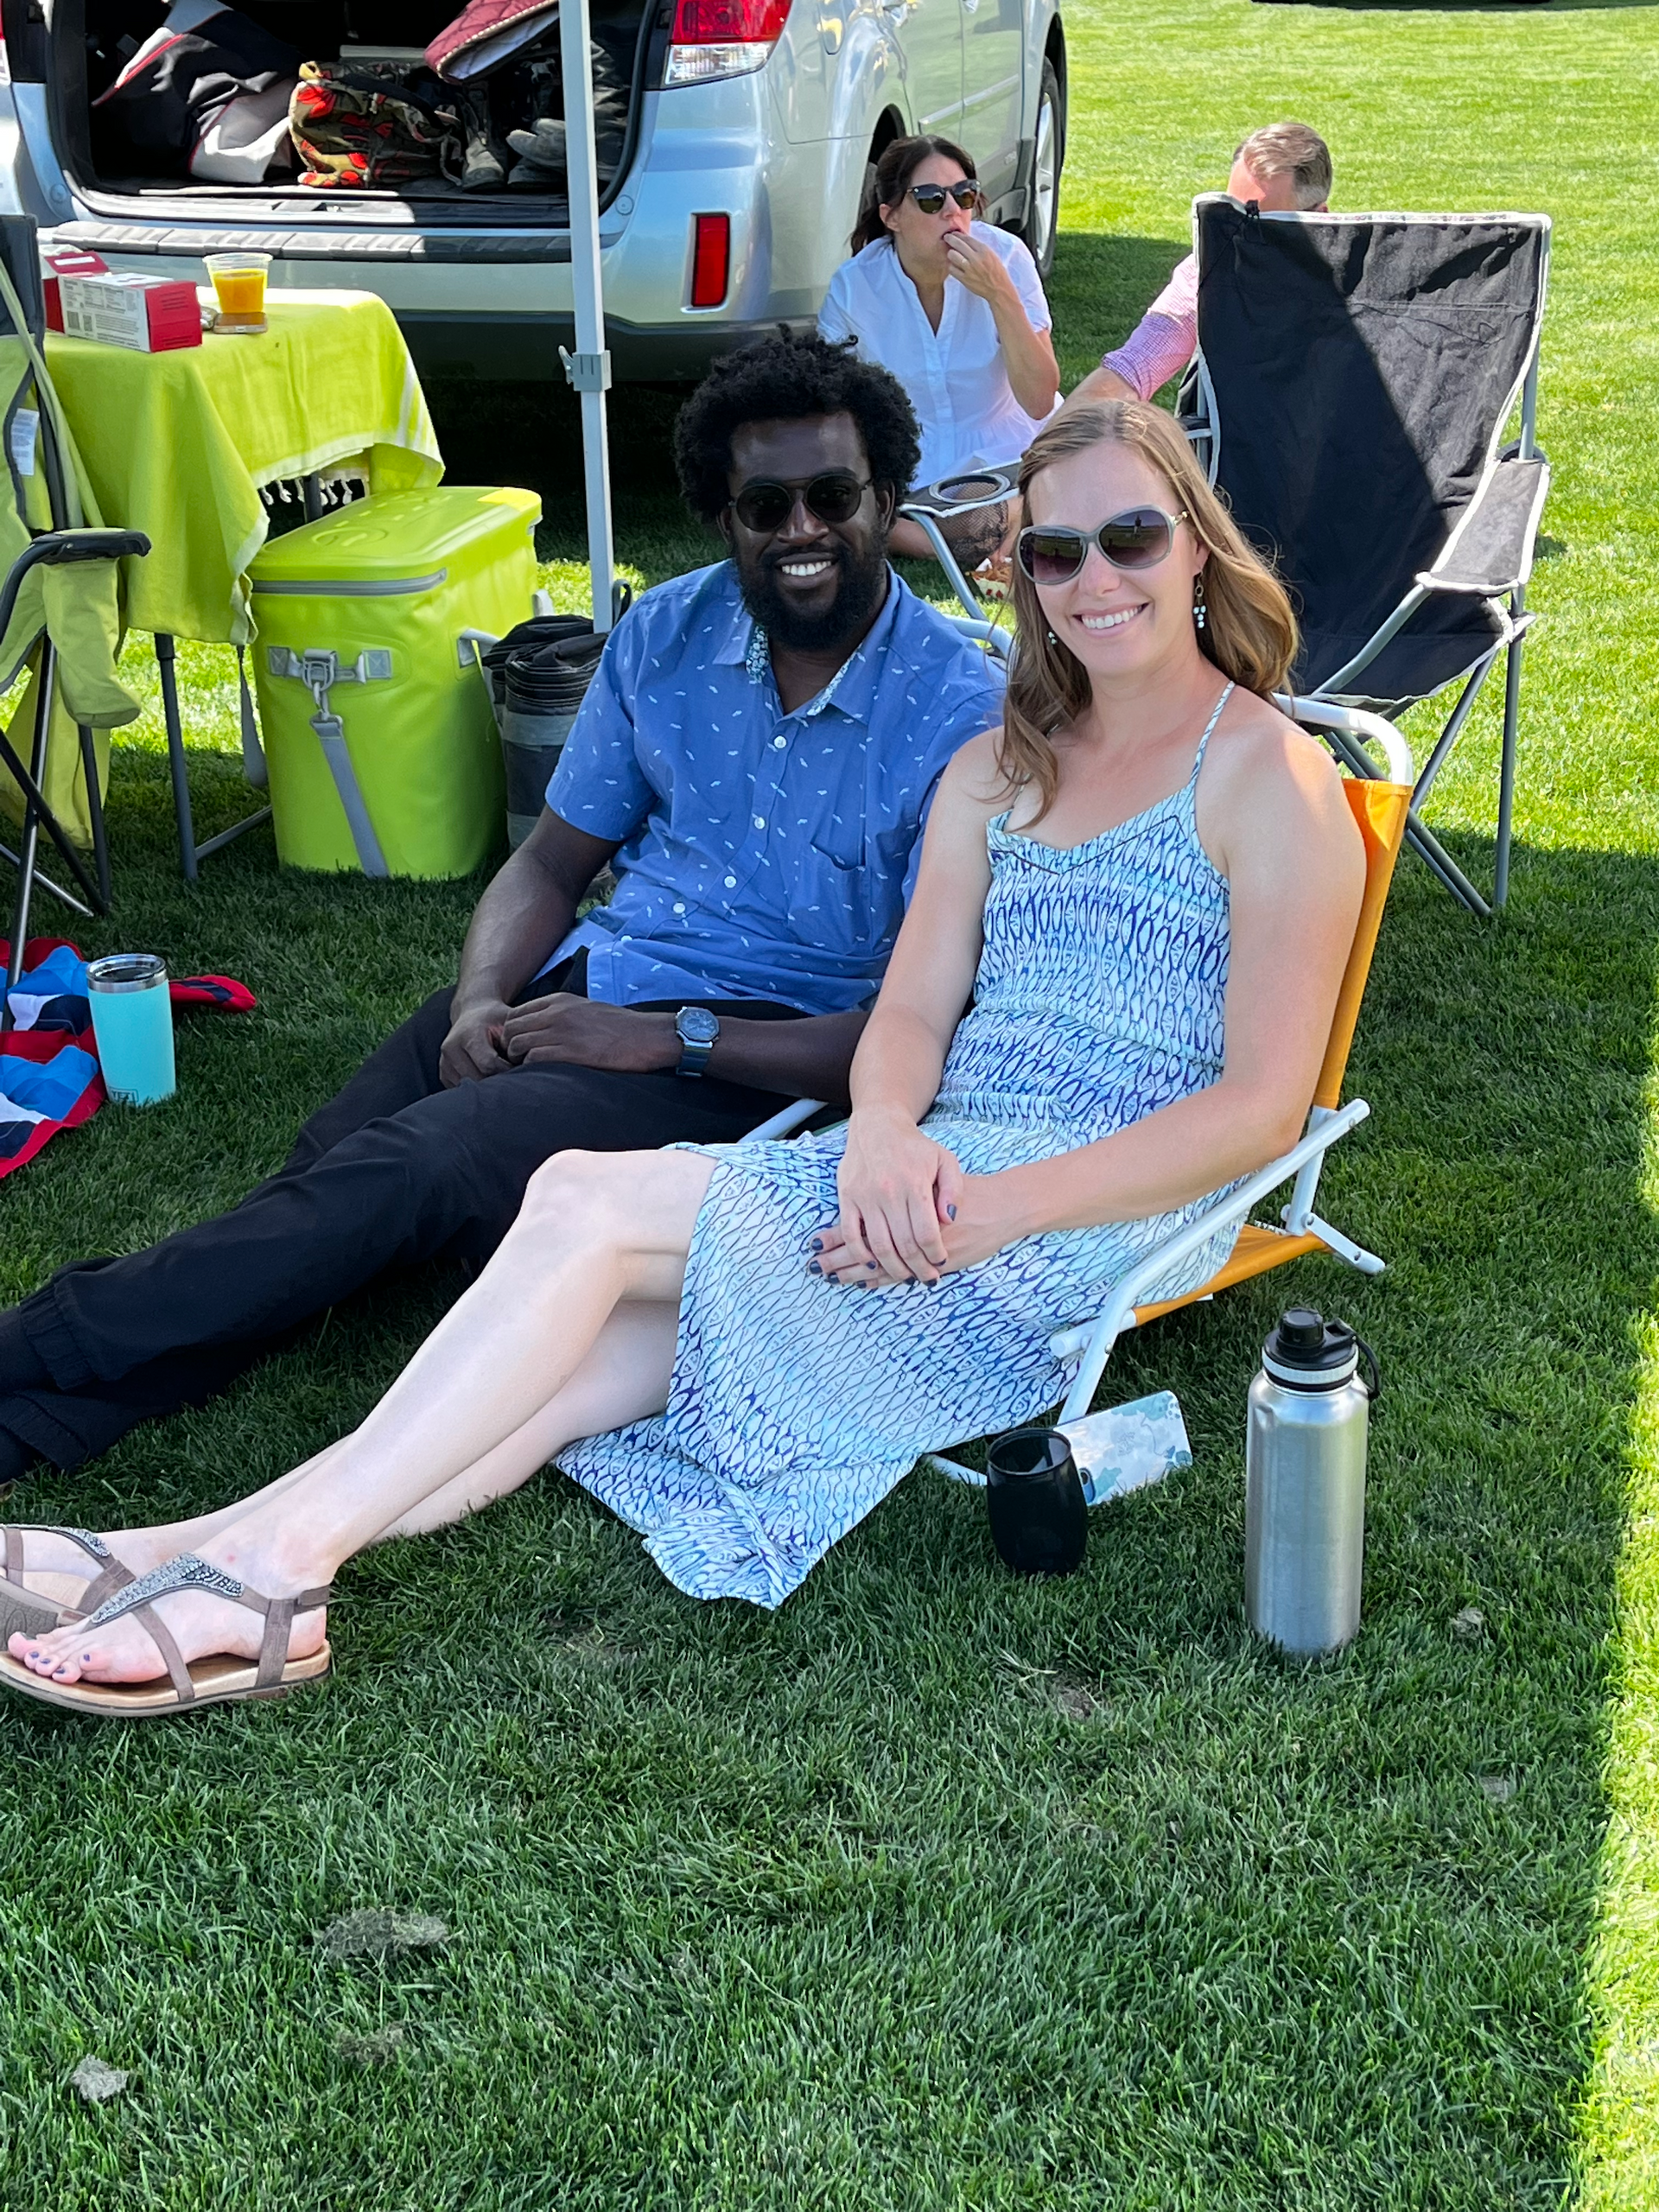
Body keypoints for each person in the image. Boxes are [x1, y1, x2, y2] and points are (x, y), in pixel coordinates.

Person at [3, 397, 1370, 1715]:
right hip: (925, 1167)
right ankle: (190, 1549)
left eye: (1130, 537)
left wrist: (983, 1209)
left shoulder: (1268, 777)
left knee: (584, 1201)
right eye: (1057, 551)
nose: (1093, 580)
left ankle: (272, 1579)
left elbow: (1258, 1109)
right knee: (572, 1352)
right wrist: (889, 1140)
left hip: (1093, 1211)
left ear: (1196, 541)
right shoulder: (1004, 766)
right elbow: (908, 1019)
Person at [0, 332, 1005, 1509]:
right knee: (329, 1181)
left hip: (747, 1061)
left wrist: (669, 1038)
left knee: (411, 1167)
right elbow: (547, 862)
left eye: (833, 497)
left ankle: (34, 1349)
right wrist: (482, 998)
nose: (799, 530)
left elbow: (923, 1025)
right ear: (720, 514)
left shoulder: (961, 709)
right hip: (578, 998)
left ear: (884, 497)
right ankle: (66, 1412)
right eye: (763, 504)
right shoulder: (666, 635)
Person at [818, 134, 1059, 579]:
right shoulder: (855, 289)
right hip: (911, 466)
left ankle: (983, 526)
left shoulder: (1007, 258)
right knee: (835, 500)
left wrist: (1000, 294)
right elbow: (837, 416)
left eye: (965, 195)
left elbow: (1040, 399)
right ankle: (1006, 523)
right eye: (930, 199)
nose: (954, 211)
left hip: (1008, 450)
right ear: (891, 217)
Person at [1065, 122, 1332, 411]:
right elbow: (1136, 365)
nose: (1239, 239)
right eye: (1230, 217)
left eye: (1261, 225)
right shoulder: (1208, 270)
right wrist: (1068, 427)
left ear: (1321, 220)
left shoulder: (1365, 283)